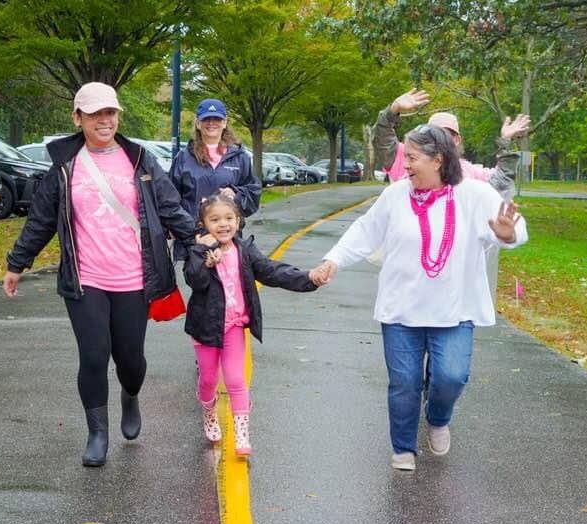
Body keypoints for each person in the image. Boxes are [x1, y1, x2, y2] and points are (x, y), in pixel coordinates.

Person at [311, 124, 528, 471]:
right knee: (405, 382)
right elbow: (366, 231)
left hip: (454, 311)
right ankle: (403, 448)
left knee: (451, 377)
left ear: (438, 159)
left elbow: (514, 228)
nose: (405, 165)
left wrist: (508, 234)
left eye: (412, 158)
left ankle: (438, 418)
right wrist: (332, 260)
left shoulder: (475, 194)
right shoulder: (395, 194)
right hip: (402, 310)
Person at [3, 82, 195, 467]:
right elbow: (41, 218)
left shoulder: (139, 160)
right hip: (85, 277)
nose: (104, 120)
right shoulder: (65, 166)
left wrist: (204, 241)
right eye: (95, 114)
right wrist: (17, 263)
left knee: (130, 360)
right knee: (93, 356)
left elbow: (171, 208)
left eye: (110, 112)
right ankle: (97, 433)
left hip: (134, 278)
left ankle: (130, 394)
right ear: (78, 118)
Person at [184, 191, 321, 456]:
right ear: (204, 225)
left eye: (229, 218)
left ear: (238, 221)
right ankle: (209, 410)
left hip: (235, 325)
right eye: (215, 219)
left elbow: (271, 271)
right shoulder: (198, 251)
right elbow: (195, 281)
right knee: (208, 380)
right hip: (206, 329)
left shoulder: (244, 251)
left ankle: (241, 434)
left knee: (236, 380)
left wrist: (308, 279)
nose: (223, 224)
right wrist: (205, 258)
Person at [373, 88, 531, 199]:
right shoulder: (408, 159)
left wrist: (506, 141)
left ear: (457, 140)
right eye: (433, 133)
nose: (439, 139)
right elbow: (382, 140)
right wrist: (393, 110)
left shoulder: (470, 173)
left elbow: (500, 183)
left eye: (446, 134)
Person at [170, 98, 261, 261]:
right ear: (198, 123)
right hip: (195, 239)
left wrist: (236, 194)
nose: (212, 123)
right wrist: (183, 230)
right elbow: (170, 199)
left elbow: (253, 194)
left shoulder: (240, 157)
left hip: (228, 237)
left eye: (217, 119)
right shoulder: (183, 158)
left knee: (230, 284)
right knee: (201, 284)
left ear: (225, 122)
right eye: (206, 119)